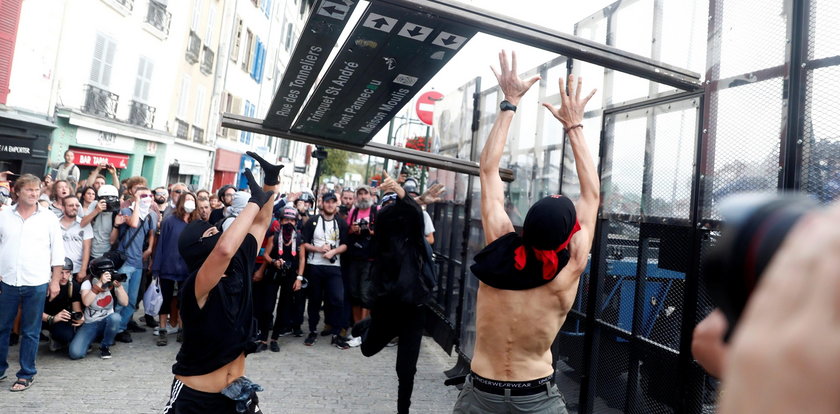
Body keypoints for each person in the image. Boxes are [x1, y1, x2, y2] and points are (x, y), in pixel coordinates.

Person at [452, 51, 599, 413]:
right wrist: (574, 125)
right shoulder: (570, 269)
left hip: (480, 395)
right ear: (569, 237)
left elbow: (488, 171)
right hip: (536, 399)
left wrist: (510, 103)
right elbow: (591, 194)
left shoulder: (500, 243)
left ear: (526, 224)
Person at [164, 154, 280, 413]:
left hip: (238, 396)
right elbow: (223, 250)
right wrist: (253, 201)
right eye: (211, 233)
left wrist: (271, 183)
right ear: (199, 249)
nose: (219, 231)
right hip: (195, 400)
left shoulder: (239, 262)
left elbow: (262, 222)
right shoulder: (196, 286)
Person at [352, 171, 434, 414]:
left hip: (414, 310)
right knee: (367, 350)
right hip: (387, 308)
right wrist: (402, 195)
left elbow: (411, 215)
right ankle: (367, 326)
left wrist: (413, 201)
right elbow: (393, 215)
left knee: (406, 370)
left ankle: (403, 411)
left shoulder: (416, 239)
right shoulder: (384, 237)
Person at [0, 174, 64, 392]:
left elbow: (58, 252)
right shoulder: (4, 215)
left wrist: (55, 281)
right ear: (17, 191)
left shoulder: (48, 218)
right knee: (2, 327)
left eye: (37, 190)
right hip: (8, 280)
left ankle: (26, 374)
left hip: (36, 282)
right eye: (29, 190)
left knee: (30, 330)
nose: (34, 194)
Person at [300, 191, 350, 348]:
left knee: (337, 299)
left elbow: (345, 244)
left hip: (334, 267)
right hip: (315, 266)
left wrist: (333, 252)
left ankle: (336, 332)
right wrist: (319, 249)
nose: (330, 205)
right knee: (314, 300)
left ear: (336, 204)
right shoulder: (313, 221)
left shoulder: (341, 223)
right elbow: (304, 243)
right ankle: (313, 331)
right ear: (322, 203)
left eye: (333, 202)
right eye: (327, 202)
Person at [110, 186, 157, 343]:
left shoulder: (150, 216)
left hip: (138, 263)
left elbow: (151, 233)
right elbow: (134, 223)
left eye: (149, 195)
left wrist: (150, 249)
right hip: (125, 262)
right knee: (121, 299)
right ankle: (113, 329)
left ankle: (122, 328)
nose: (147, 198)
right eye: (143, 195)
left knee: (132, 299)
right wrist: (136, 201)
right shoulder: (127, 212)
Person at [152, 192, 198, 346]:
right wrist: (156, 268)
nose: (190, 202)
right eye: (188, 199)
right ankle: (163, 330)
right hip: (168, 267)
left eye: (193, 200)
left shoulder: (196, 223)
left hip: (187, 270)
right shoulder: (170, 221)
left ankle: (181, 330)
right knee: (164, 300)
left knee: (183, 301)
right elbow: (161, 245)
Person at [259, 206, 306, 351]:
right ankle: (263, 339)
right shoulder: (274, 235)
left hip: (290, 275)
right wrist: (274, 261)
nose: (289, 222)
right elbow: (265, 254)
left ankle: (274, 339)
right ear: (280, 221)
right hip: (273, 273)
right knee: (267, 307)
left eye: (292, 220)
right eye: (286, 219)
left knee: (284, 308)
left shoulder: (299, 238)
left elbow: (302, 259)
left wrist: (299, 278)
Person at [68, 257, 128, 360]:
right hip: (90, 323)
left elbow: (125, 302)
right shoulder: (87, 283)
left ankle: (105, 346)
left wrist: (119, 287)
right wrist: (99, 283)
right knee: (75, 353)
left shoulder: (112, 283)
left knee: (116, 318)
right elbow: (86, 302)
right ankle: (89, 341)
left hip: (107, 321)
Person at [344, 185, 377, 328]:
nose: (363, 196)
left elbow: (384, 232)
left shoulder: (377, 211)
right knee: (354, 293)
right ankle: (357, 327)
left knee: (365, 294)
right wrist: (354, 229)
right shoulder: (354, 211)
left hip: (370, 259)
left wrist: (371, 231)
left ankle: (364, 328)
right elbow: (347, 231)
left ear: (371, 195)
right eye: (360, 193)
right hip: (355, 257)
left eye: (366, 193)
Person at [42, 258, 83, 352]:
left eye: (67, 272)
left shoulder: (73, 286)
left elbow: (77, 309)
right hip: (44, 318)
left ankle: (57, 339)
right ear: (52, 272)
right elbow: (35, 312)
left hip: (62, 319)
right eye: (61, 272)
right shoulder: (44, 286)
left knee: (68, 335)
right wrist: (52, 318)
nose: (64, 276)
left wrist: (79, 318)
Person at [59, 195, 92, 284]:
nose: (74, 208)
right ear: (63, 208)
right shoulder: (54, 223)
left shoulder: (85, 224)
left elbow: (87, 248)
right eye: (70, 205)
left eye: (76, 205)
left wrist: (83, 270)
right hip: (57, 271)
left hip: (77, 270)